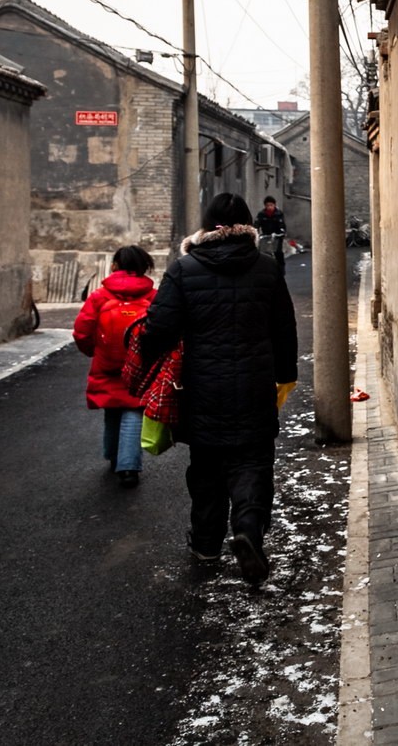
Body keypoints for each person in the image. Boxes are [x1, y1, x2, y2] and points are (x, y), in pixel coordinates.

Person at [141, 193, 298, 586]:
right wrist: (285, 375)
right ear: (248, 227)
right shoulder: (266, 269)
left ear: (206, 227)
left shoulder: (184, 269)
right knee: (253, 463)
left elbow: (157, 330)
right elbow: (284, 329)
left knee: (206, 467)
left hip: (202, 388)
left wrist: (154, 356)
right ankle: (248, 529)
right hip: (255, 385)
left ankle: (207, 543)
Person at [72, 245, 157, 488]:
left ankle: (112, 456)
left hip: (107, 363)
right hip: (141, 365)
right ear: (144, 267)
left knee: (112, 407)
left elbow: (81, 331)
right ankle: (128, 467)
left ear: (115, 265)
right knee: (134, 409)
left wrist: (94, 351)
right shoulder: (153, 296)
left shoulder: (100, 296)